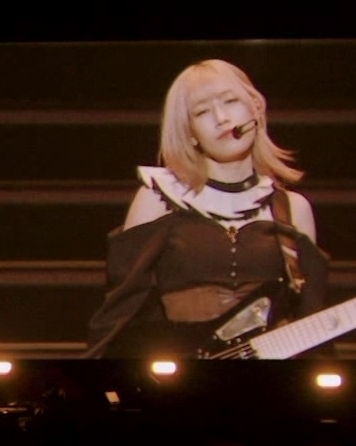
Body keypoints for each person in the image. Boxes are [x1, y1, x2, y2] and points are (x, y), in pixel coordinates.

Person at [85, 59, 330, 359]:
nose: (222, 118)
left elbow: (311, 321)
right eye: (202, 112)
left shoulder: (293, 209)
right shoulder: (158, 197)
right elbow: (121, 314)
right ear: (190, 132)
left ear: (255, 108)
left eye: (230, 101)